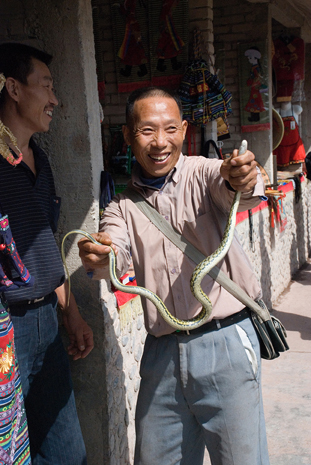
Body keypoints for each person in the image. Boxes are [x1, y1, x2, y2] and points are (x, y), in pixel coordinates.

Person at [78, 86, 270, 465]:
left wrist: (242, 176)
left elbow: (236, 186)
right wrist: (99, 255)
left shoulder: (204, 172)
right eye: (147, 131)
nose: (160, 142)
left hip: (225, 342)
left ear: (184, 129)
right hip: (161, 354)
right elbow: (111, 254)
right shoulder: (121, 207)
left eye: (169, 129)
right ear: (129, 136)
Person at [0, 42, 94, 465]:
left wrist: (70, 314)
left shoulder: (42, 160)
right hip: (7, 330)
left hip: (47, 328)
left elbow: (49, 250)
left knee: (66, 451)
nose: (55, 99)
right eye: (47, 86)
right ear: (14, 89)